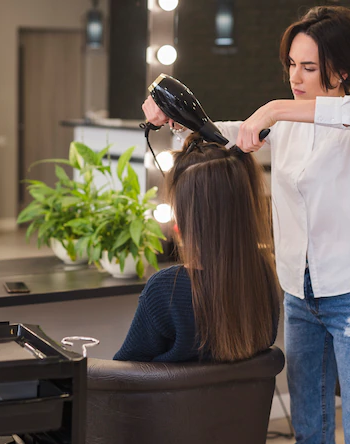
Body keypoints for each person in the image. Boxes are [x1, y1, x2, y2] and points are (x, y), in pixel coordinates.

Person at [143, 5, 350, 444]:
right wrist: (169, 114)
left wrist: (274, 108)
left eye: (308, 67)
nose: (295, 77)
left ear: (341, 70)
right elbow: (219, 132)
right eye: (291, 64)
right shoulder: (282, 130)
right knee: (310, 433)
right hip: (301, 299)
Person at [114, 132, 280, 362]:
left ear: (185, 217)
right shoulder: (264, 275)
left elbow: (123, 375)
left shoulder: (165, 289)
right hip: (241, 399)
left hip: (168, 399)